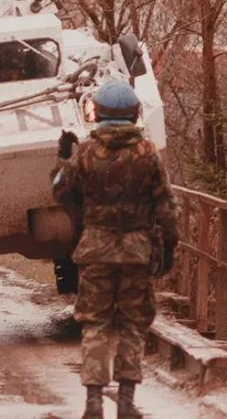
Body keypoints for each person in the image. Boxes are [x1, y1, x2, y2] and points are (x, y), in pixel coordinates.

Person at [50, 81, 178, 419]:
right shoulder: (148, 153)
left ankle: (93, 402)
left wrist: (63, 158)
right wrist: (169, 246)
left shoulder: (86, 153)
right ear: (134, 115)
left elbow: (60, 193)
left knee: (95, 324)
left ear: (99, 114)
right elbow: (165, 205)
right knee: (133, 325)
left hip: (96, 248)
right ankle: (125, 401)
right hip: (137, 250)